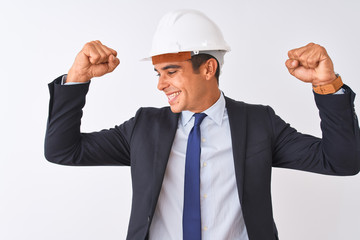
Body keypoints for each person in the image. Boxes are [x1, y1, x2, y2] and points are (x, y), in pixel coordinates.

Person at [45, 9, 360, 240]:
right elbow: (62, 151)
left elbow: (342, 161)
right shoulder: (144, 127)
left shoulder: (259, 123)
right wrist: (77, 79)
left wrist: (327, 85)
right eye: (158, 73)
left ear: (209, 68)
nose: (161, 85)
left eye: (171, 71)